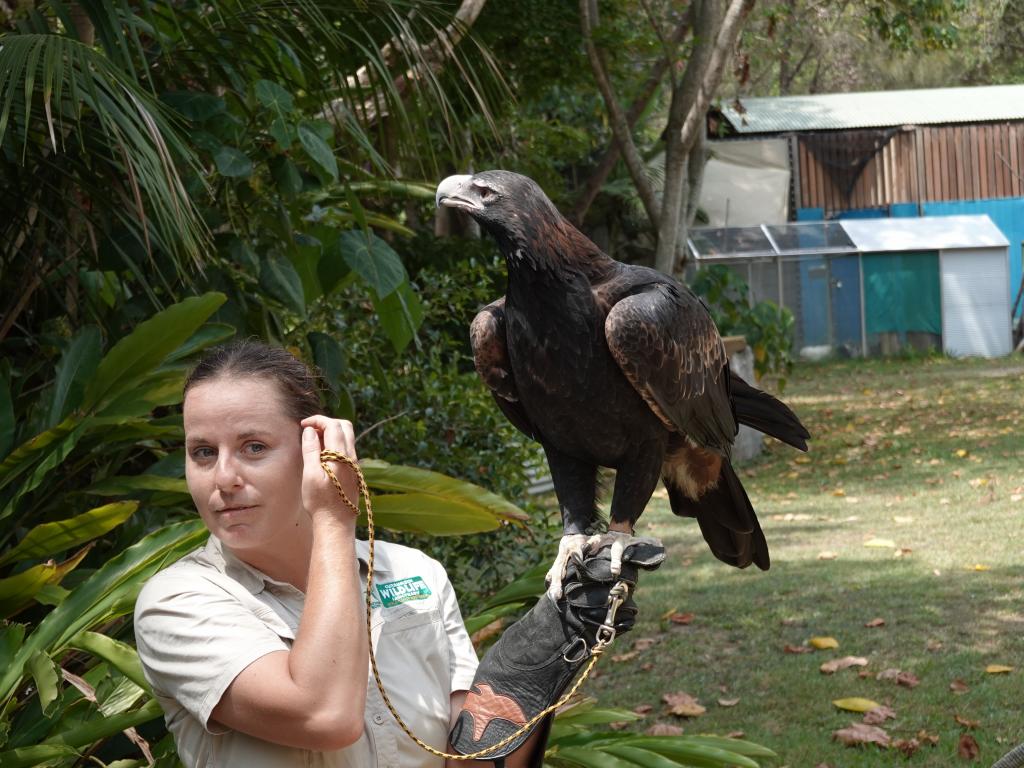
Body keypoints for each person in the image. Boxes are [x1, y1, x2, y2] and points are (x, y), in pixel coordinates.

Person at [134, 340, 543, 767]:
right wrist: (333, 517)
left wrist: (549, 650)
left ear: (315, 446)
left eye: (253, 446)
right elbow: (325, 715)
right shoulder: (175, 604)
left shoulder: (413, 572)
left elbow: (468, 757)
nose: (224, 477)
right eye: (203, 452)